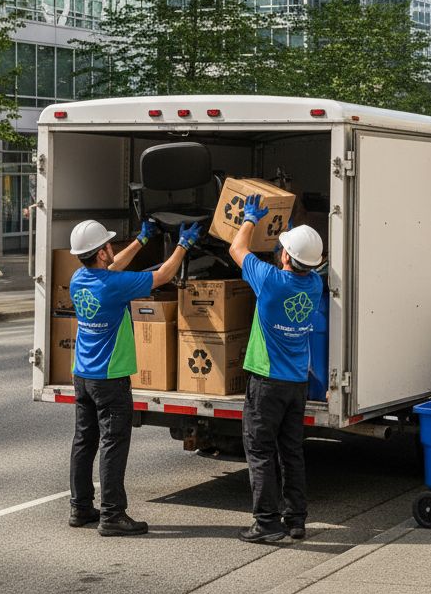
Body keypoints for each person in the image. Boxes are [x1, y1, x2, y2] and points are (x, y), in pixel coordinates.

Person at [68, 217, 201, 536]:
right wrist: (184, 245)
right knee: (114, 442)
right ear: (101, 253)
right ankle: (113, 515)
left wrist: (141, 241)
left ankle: (81, 508)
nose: (112, 249)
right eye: (108, 246)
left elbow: (111, 268)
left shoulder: (79, 279)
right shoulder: (114, 286)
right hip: (110, 379)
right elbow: (164, 275)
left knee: (84, 441)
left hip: (83, 376)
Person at [230, 194, 325, 544]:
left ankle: (267, 523)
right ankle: (296, 519)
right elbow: (301, 261)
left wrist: (251, 219)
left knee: (259, 452)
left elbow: (237, 248)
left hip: (266, 382)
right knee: (291, 451)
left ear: (285, 256)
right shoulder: (313, 285)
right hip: (296, 383)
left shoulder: (270, 281)